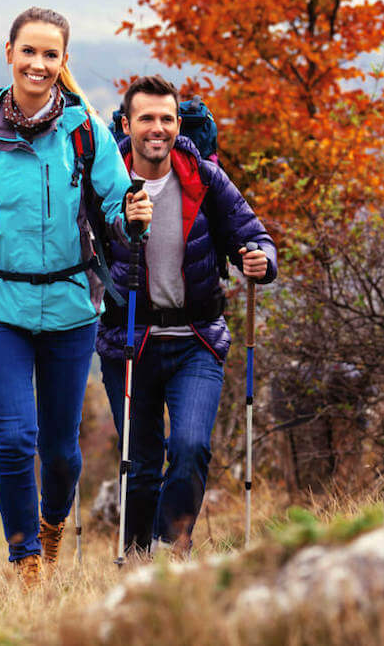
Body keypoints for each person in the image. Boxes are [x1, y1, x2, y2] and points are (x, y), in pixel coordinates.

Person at [0, 7, 145, 586]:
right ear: (8, 53)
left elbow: (115, 205)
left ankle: (53, 523)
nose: (38, 64)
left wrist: (131, 217)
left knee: (60, 452)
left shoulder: (84, 129)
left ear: (64, 63)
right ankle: (25, 560)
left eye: (50, 55)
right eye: (29, 52)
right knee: (16, 438)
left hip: (70, 307)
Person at [98, 75, 278, 555]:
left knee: (191, 447)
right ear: (126, 124)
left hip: (196, 339)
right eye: (146, 119)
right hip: (127, 342)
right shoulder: (105, 179)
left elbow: (252, 234)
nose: (157, 129)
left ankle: (170, 549)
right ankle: (136, 561)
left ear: (178, 124)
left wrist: (261, 259)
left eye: (166, 119)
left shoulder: (203, 175)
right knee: (138, 463)